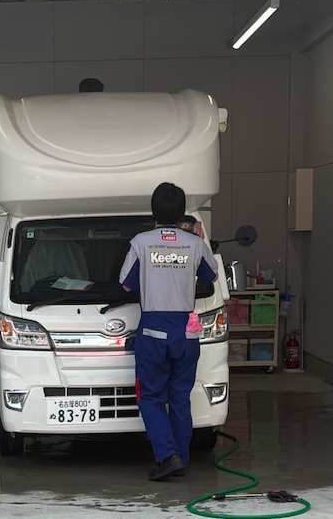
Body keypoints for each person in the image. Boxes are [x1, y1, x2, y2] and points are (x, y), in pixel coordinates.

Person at [119, 183, 219, 481]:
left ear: (153, 211)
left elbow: (126, 284)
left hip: (153, 332)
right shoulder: (194, 243)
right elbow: (213, 276)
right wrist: (199, 240)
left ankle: (167, 455)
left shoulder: (141, 242)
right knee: (179, 399)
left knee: (150, 398)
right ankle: (180, 460)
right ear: (181, 212)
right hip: (186, 333)